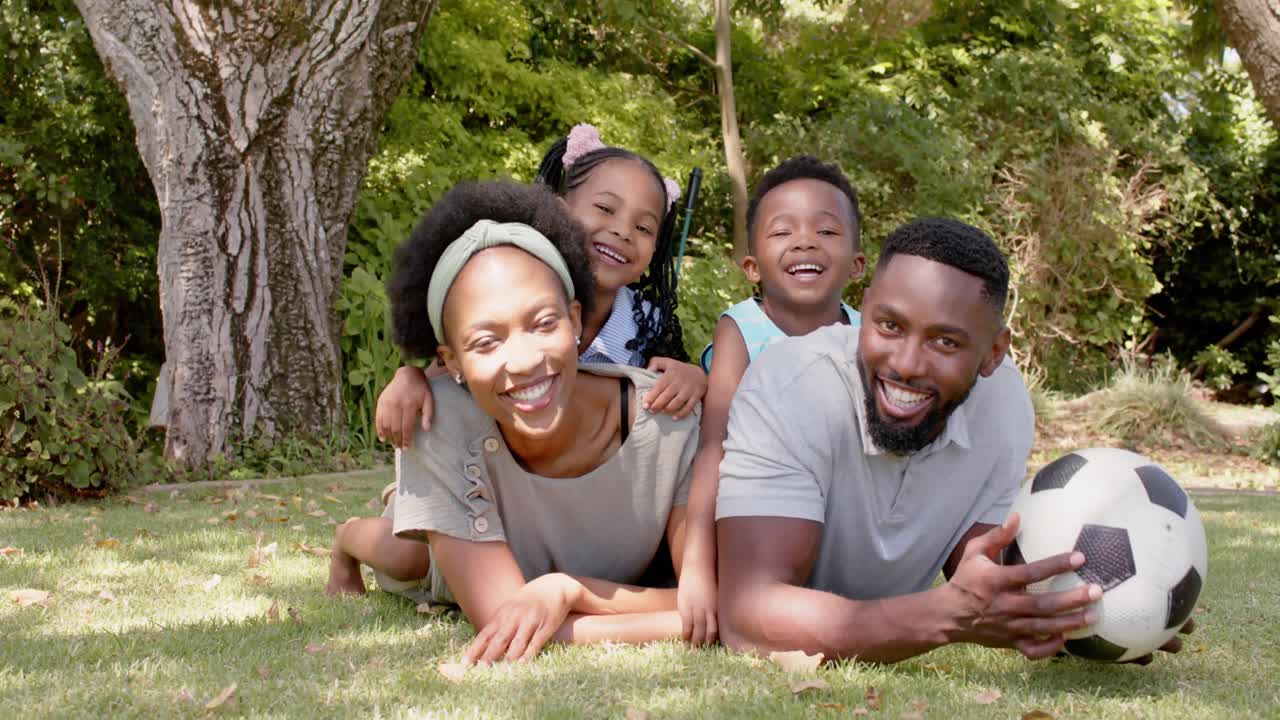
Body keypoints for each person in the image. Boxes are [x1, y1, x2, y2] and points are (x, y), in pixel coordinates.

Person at [713, 217, 1191, 663]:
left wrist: (1093, 605)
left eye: (945, 342)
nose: (907, 363)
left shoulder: (1003, 406)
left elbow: (983, 573)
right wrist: (947, 619)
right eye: (889, 325)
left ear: (993, 353)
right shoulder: (791, 384)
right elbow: (749, 619)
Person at [326, 180, 700, 664]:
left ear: (574, 318)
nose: (522, 361)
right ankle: (347, 536)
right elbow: (504, 619)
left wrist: (569, 590)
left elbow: (708, 596)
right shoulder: (437, 416)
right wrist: (676, 621)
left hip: (560, 571)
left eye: (544, 324)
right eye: (486, 342)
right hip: (461, 547)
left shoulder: (670, 419)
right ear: (451, 360)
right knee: (407, 556)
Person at [374, 124, 706, 449]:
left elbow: (673, 398)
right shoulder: (509, 290)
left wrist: (695, 380)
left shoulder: (646, 327)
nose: (623, 231)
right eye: (605, 208)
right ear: (559, 212)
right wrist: (411, 379)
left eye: (644, 228)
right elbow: (449, 371)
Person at [676, 156, 867, 647]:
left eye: (826, 231)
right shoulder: (742, 330)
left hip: (842, 524)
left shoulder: (870, 336)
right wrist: (696, 567)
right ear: (752, 267)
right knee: (722, 613)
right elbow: (713, 444)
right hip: (757, 516)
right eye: (783, 232)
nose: (805, 240)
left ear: (858, 262)